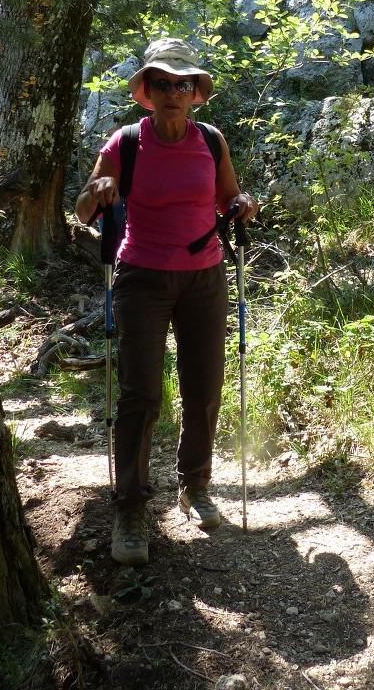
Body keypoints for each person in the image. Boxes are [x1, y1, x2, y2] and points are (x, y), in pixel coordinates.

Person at [75, 37, 258, 566]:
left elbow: (229, 199)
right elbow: (84, 209)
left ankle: (195, 487)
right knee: (139, 395)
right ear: (147, 92)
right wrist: (99, 189)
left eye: (183, 83)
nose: (173, 92)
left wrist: (244, 205)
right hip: (142, 279)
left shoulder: (212, 140)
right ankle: (131, 508)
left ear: (196, 92)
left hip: (205, 278)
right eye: (163, 83)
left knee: (204, 388)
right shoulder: (125, 142)